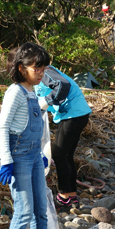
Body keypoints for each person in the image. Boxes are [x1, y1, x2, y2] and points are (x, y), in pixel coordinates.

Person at [0, 43, 52, 229]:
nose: (41, 72)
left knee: (41, 211)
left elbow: (34, 120)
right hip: (18, 159)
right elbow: (2, 128)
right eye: (36, 68)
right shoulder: (15, 92)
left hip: (34, 157)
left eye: (43, 68)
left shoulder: (32, 91)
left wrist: (40, 153)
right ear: (21, 68)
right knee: (23, 211)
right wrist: (6, 161)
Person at [35, 65, 92, 213]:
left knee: (60, 155)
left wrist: (47, 100)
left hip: (74, 114)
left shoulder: (45, 71)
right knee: (66, 156)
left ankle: (64, 197)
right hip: (74, 114)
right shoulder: (32, 79)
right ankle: (71, 195)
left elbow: (62, 85)